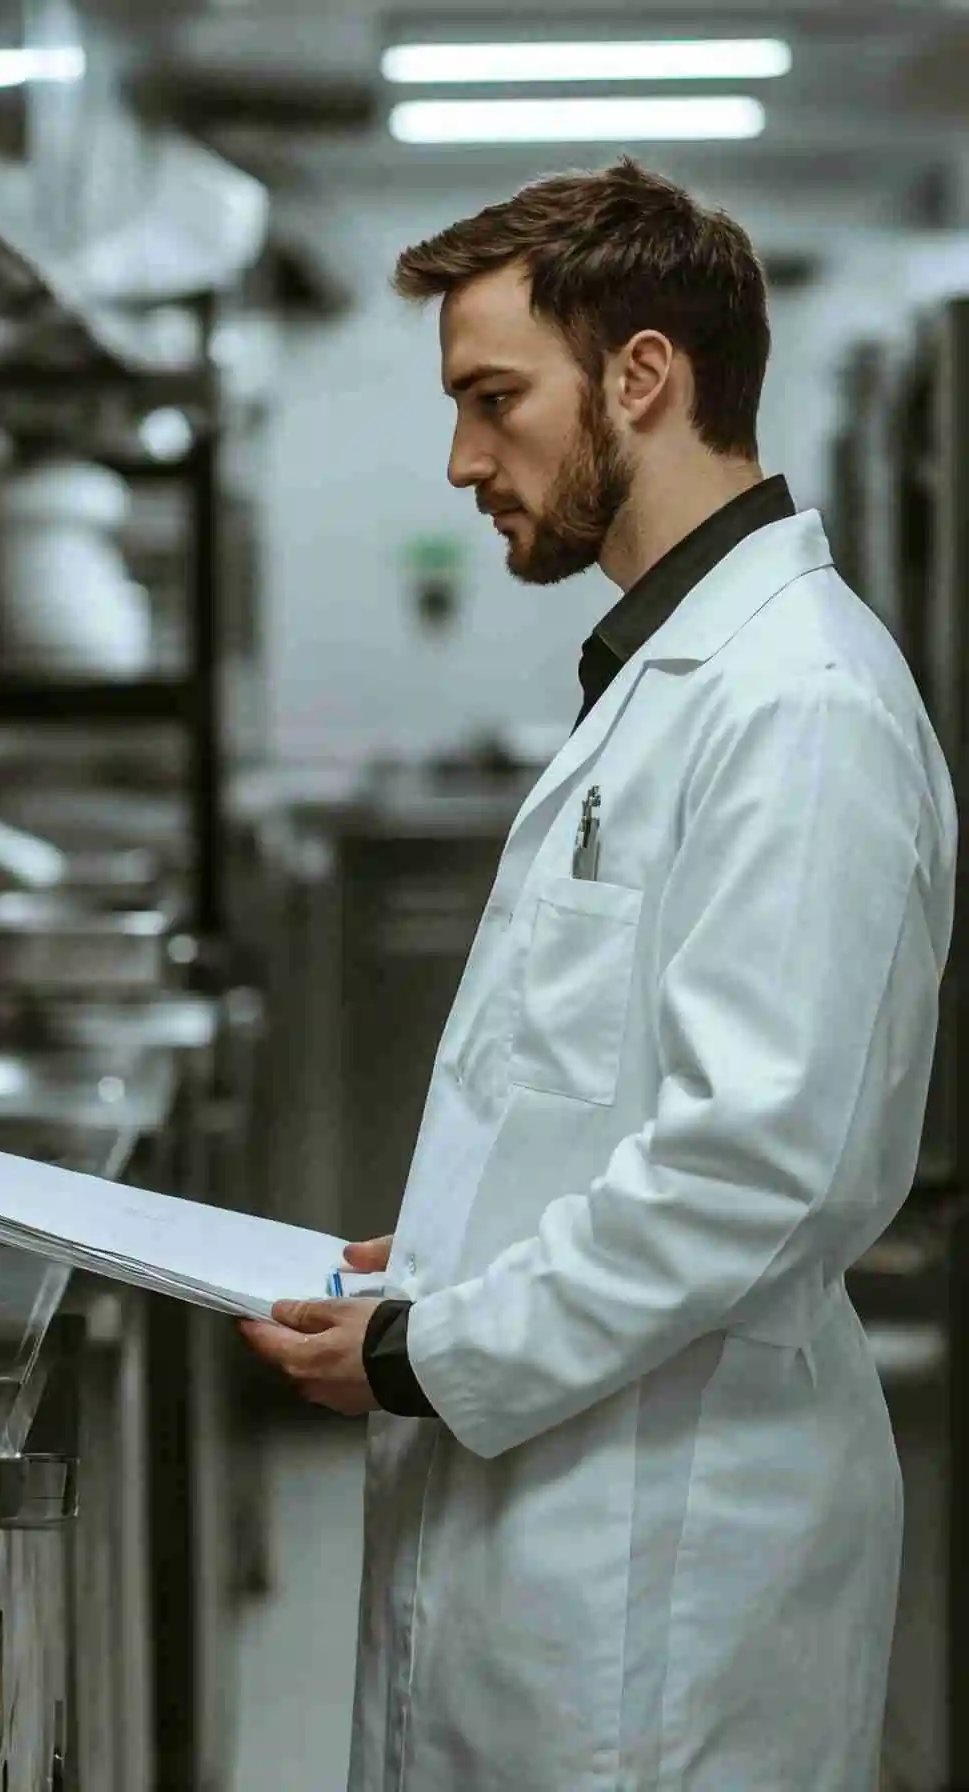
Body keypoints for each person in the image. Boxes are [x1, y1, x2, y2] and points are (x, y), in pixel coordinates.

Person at [240, 157, 958, 1791]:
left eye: (497, 399)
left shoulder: (802, 707)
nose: (459, 459)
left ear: (644, 375)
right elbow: (613, 1095)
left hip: (668, 1560)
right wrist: (451, 1255)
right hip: (570, 1520)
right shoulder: (673, 674)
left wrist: (435, 1348)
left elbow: (757, 1166)